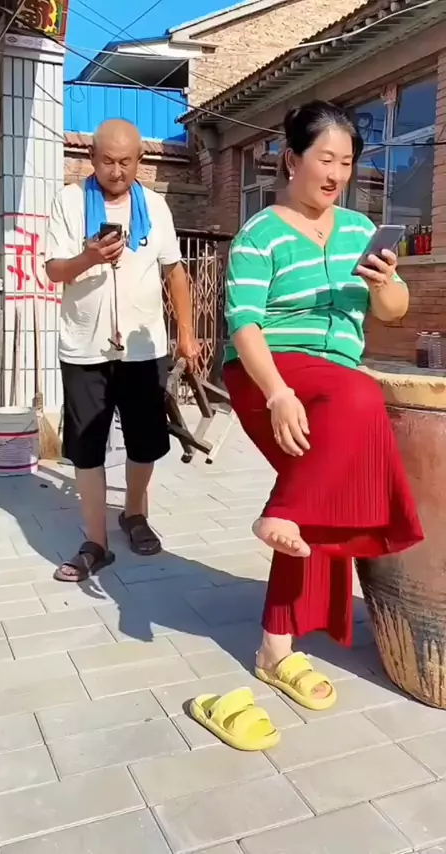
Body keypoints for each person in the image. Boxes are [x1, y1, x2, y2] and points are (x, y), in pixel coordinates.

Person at [222, 101, 424, 711]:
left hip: (335, 381)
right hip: (269, 372)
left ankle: (275, 648)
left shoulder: (362, 231)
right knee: (359, 398)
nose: (337, 174)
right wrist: (278, 393)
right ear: (292, 159)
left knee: (318, 497)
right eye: (325, 159)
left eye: (347, 162)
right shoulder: (260, 235)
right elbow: (244, 325)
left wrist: (384, 284)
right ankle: (282, 513)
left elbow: (396, 311)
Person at [45, 119, 199, 580]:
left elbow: (174, 270)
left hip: (142, 347)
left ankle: (134, 513)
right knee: (87, 448)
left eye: (126, 162)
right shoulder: (70, 202)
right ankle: (96, 542)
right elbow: (53, 270)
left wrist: (186, 333)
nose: (116, 171)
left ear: (140, 161)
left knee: (145, 440)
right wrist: (89, 256)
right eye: (108, 161)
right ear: (92, 159)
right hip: (84, 348)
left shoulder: (155, 206)